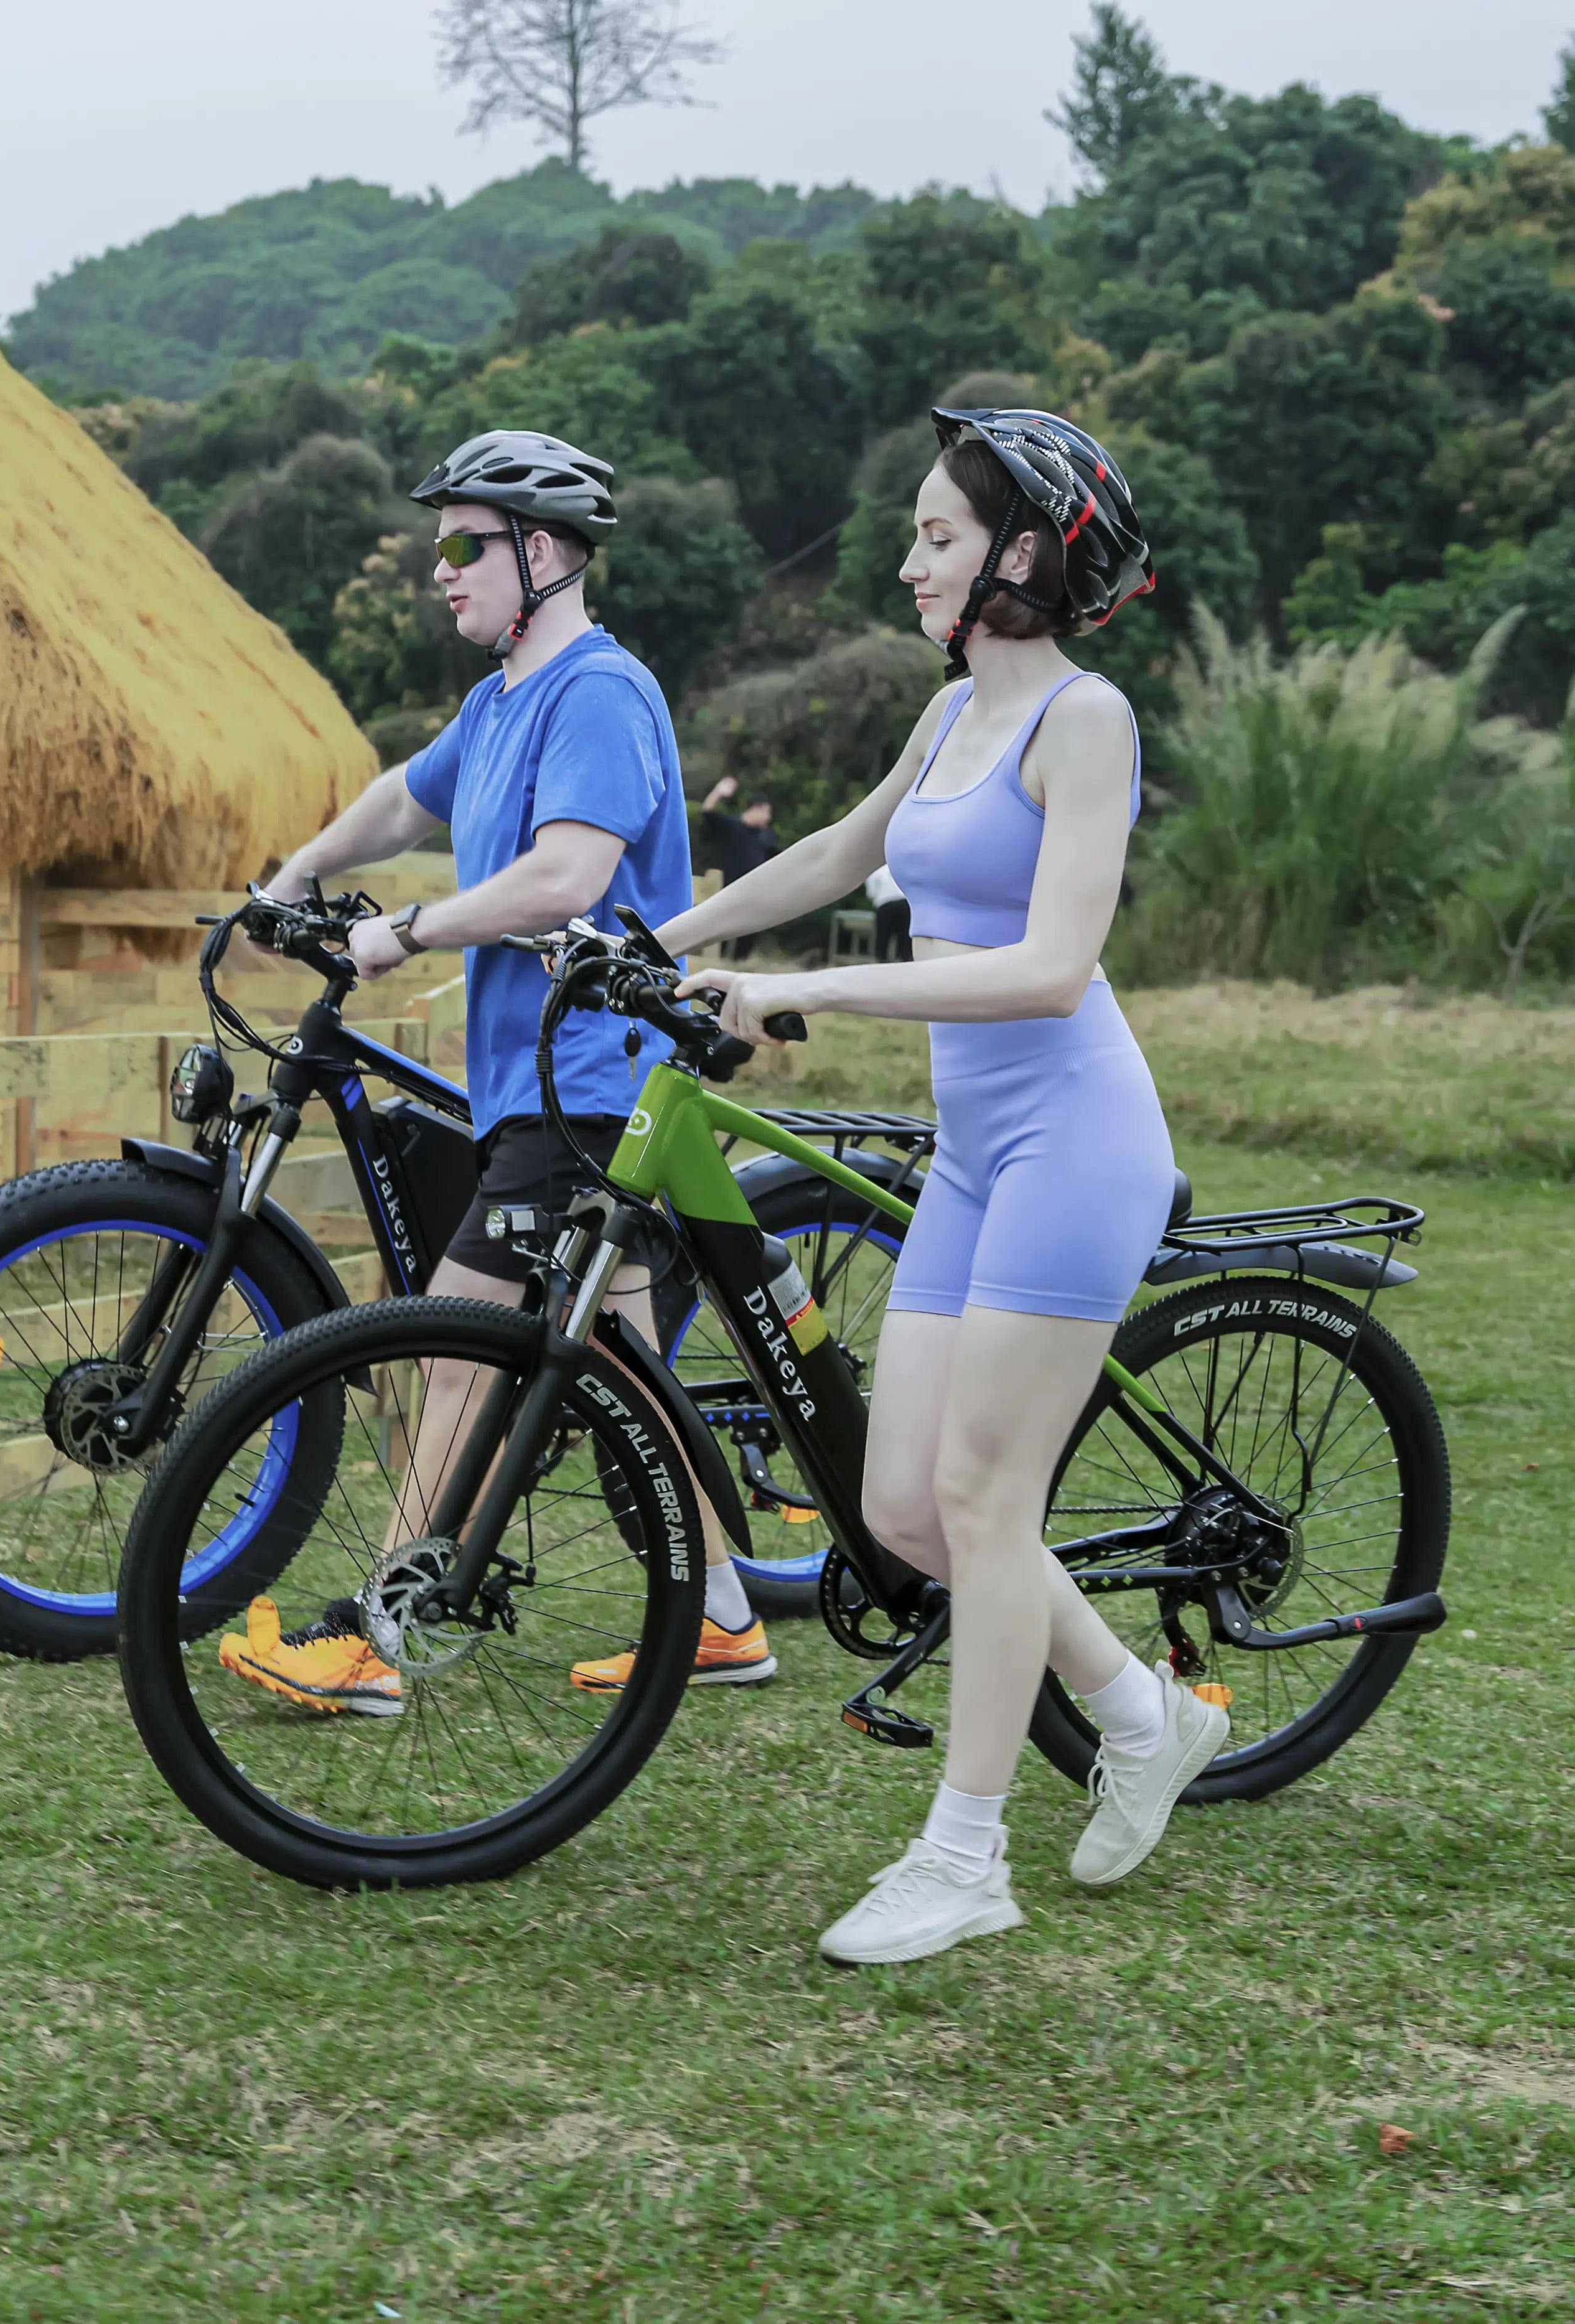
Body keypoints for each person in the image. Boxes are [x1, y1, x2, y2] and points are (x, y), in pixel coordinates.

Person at [655, 408, 1228, 1966]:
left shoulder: (1082, 722)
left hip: (1075, 1144)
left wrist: (818, 999)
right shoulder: (950, 713)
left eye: (936, 536)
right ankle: (1138, 1710)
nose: (906, 560)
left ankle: (965, 1852)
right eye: (913, 534)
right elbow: (841, 852)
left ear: (1023, 555)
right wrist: (674, 937)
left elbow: (1051, 970)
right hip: (977, 1155)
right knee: (900, 1504)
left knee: (981, 1497)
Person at [215, 429, 778, 1712]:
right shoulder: (500, 700)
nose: (442, 572)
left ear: (547, 553)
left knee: (460, 1352)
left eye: (465, 546)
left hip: (591, 1079)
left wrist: (402, 929)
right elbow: (403, 802)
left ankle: (380, 1633)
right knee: (627, 1360)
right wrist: (295, 874)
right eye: (438, 549)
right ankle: (729, 1616)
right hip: (543, 1082)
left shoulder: (599, 692)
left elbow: (569, 876)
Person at [699, 776, 780, 958]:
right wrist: (718, 792)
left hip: (756, 890)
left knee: (751, 927)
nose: (769, 818)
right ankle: (718, 957)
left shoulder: (766, 835)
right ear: (756, 809)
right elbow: (707, 813)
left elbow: (777, 856)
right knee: (724, 926)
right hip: (729, 887)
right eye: (767, 812)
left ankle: (740, 960)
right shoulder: (732, 826)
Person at [864, 861, 911, 962]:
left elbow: (871, 894)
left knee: (883, 937)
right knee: (905, 939)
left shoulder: (876, 870)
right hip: (905, 902)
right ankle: (904, 961)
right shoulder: (903, 867)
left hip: (885, 903)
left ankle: (881, 960)